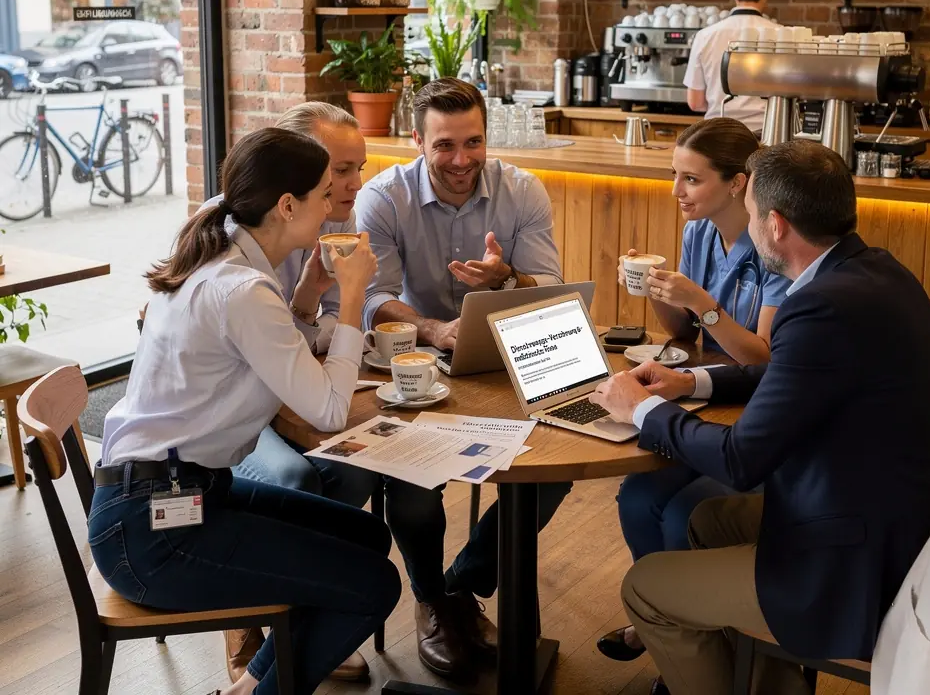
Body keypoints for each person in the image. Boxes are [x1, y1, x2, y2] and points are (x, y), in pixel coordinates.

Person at [590, 140, 930, 695]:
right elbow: (797, 372)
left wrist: (642, 408)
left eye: (750, 218)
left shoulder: (819, 306)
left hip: (861, 563)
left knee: (645, 588)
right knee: (703, 524)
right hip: (901, 522)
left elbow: (741, 460)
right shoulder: (875, 272)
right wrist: (690, 380)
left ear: (774, 224)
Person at [90, 128, 400, 695]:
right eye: (325, 196)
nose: (334, 206)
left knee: (366, 539)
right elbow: (329, 408)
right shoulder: (242, 289)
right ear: (288, 206)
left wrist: (307, 289)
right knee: (377, 585)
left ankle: (250, 687)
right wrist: (353, 298)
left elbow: (278, 353)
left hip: (172, 496)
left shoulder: (222, 237)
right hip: (153, 533)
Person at [355, 77, 572, 680]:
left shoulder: (522, 188)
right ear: (416, 141)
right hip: (414, 363)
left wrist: (505, 278)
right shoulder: (382, 198)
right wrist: (433, 328)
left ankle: (457, 588)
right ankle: (431, 600)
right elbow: (372, 296)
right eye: (444, 146)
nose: (461, 160)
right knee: (414, 481)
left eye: (472, 143)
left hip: (505, 357)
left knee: (559, 464)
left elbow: (547, 289)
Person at [599, 118, 789, 664]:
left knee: (684, 512)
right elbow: (684, 333)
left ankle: (697, 633)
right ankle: (663, 620)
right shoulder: (698, 232)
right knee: (636, 496)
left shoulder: (772, 244)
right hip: (704, 393)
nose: (676, 192)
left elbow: (764, 357)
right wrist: (657, 291)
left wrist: (702, 301)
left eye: (691, 179)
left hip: (755, 407)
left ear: (737, 183)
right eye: (674, 176)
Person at [684, 0, 772, 132]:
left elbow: (695, 103)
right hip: (767, 136)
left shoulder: (705, 36)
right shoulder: (784, 36)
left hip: (718, 134)